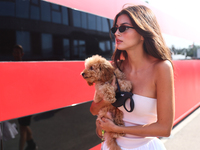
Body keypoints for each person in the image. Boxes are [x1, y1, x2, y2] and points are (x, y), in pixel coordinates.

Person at [90, 5, 175, 150]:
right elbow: (93, 109)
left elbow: (164, 128)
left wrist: (118, 130)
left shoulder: (162, 68)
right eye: (115, 29)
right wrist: (104, 111)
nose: (116, 33)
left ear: (143, 33)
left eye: (123, 28)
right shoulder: (115, 68)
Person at [12, 45, 37, 150]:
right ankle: (31, 144)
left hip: (27, 102)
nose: (17, 54)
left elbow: (30, 84)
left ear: (22, 54)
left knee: (22, 128)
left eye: (19, 52)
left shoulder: (25, 67)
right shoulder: (11, 67)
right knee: (24, 126)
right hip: (18, 101)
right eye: (15, 52)